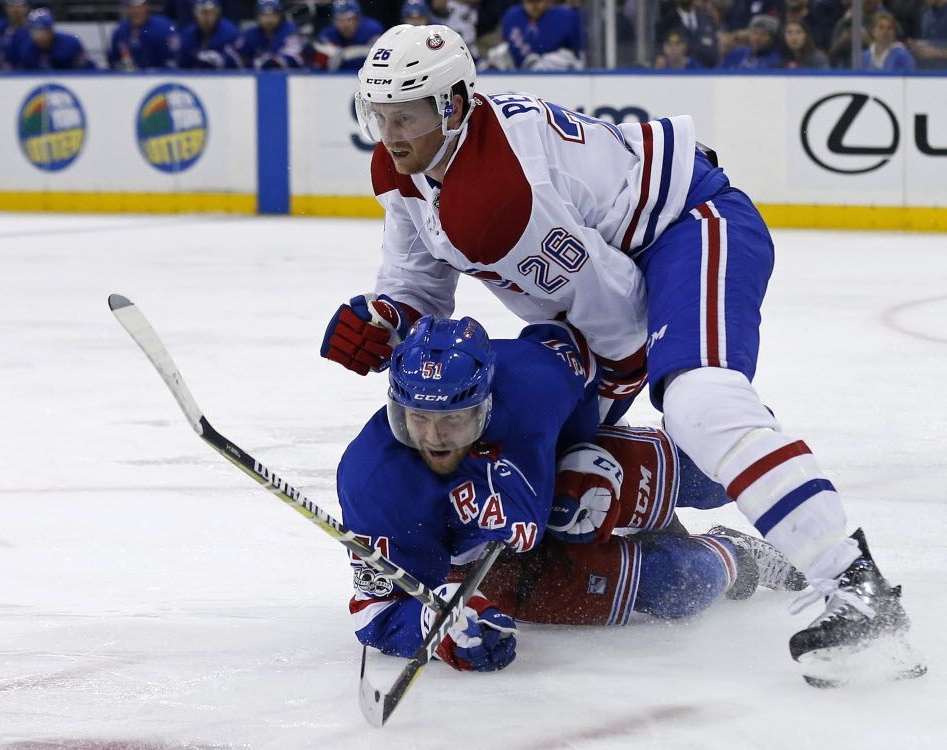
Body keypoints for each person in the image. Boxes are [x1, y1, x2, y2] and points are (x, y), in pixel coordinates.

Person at [320, 22, 926, 687]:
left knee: (699, 399)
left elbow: (614, 311)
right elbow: (419, 280)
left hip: (690, 224)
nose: (390, 132)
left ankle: (851, 581)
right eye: (377, 114)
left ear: (455, 105)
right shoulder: (414, 164)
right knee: (593, 448)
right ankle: (707, 510)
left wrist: (582, 426)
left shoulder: (497, 198)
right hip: (634, 255)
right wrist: (390, 315)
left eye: (405, 115)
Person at [339, 315, 805, 669]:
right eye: (416, 418)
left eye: (451, 420)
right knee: (681, 587)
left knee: (706, 476)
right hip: (496, 564)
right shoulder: (374, 484)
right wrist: (434, 627)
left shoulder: (532, 378)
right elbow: (377, 612)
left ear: (487, 400)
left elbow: (576, 350)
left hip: (563, 477)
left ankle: (741, 459)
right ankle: (738, 554)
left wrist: (584, 450)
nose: (433, 438)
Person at [492, 0, 583, 71]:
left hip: (554, 75)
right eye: (530, 1)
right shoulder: (512, 16)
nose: (534, 6)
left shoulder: (566, 17)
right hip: (518, 73)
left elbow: (576, 54)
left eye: (538, 1)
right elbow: (504, 46)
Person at [106, 0, 180, 71]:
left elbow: (174, 59)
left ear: (147, 7)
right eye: (131, 7)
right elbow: (114, 61)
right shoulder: (120, 31)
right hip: (132, 79)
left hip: (162, 77)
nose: (136, 11)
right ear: (127, 9)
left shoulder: (163, 27)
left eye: (139, 7)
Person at [12, 8, 95, 70]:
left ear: (51, 30)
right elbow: (21, 76)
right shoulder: (25, 48)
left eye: (43, 30)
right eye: (35, 30)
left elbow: (87, 70)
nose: (39, 35)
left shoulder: (70, 44)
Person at [313, 0, 384, 72]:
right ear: (333, 21)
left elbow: (380, 59)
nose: (345, 25)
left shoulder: (372, 29)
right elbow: (322, 68)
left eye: (349, 19)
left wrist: (345, 53)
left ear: (358, 19)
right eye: (340, 20)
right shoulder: (328, 34)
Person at [233, 0, 305, 70]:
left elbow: (294, 57)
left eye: (273, 15)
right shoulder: (251, 33)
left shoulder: (290, 30)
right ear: (257, 16)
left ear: (280, 16)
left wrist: (276, 62)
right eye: (264, 15)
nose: (269, 19)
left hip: (287, 77)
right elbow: (236, 56)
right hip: (257, 76)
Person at [655, 0, 720, 68]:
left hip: (708, 75)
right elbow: (659, 54)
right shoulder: (665, 24)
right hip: (678, 76)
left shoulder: (707, 19)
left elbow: (715, 53)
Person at [178, 0, 241, 69]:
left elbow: (240, 64)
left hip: (224, 77)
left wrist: (223, 61)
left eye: (211, 12)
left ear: (217, 13)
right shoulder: (187, 35)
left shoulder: (231, 33)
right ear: (195, 13)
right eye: (202, 12)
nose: (206, 18)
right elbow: (181, 65)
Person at [0, 0, 30, 71]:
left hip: (28, 75)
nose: (16, 9)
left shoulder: (34, 29)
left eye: (19, 6)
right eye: (12, 6)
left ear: (26, 8)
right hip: (1, 76)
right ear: (6, 8)